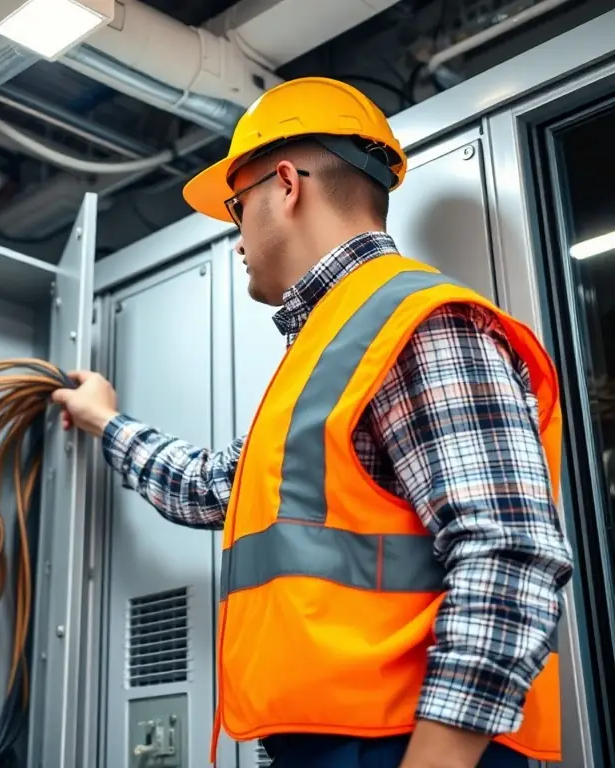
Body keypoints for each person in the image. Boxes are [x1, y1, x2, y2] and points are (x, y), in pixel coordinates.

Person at [52, 78, 573, 768]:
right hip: (329, 743)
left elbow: (509, 554)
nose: (236, 235)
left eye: (237, 206)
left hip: (406, 745)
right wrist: (106, 423)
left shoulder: (418, 323)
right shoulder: (331, 350)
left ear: (287, 184)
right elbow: (213, 486)